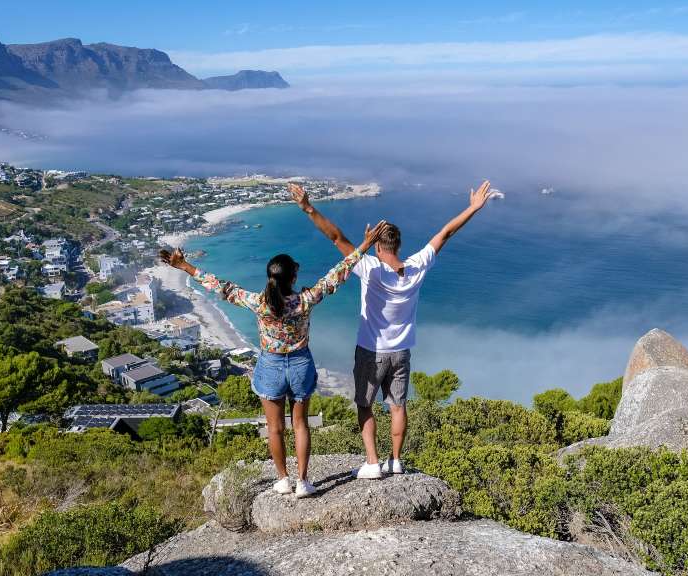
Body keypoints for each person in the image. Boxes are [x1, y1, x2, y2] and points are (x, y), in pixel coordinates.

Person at [159, 220, 388, 497]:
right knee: (301, 424)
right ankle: (303, 482)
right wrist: (364, 245)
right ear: (292, 278)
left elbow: (222, 288)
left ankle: (283, 479)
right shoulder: (305, 300)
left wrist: (184, 266)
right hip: (301, 364)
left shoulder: (259, 303)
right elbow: (338, 273)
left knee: (274, 428)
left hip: (271, 366)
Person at [291, 180, 493, 478]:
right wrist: (473, 207)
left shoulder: (369, 267)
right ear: (398, 245)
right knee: (398, 407)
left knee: (364, 405)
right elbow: (446, 233)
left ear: (376, 244)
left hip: (371, 351)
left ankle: (373, 462)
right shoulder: (416, 267)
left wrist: (308, 207)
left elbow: (336, 237)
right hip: (401, 352)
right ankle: (396, 460)